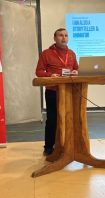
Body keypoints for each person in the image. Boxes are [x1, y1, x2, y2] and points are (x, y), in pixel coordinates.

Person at [35, 28, 79, 156]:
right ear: (55, 38)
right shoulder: (46, 53)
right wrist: (51, 75)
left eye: (66, 35)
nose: (64, 38)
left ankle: (68, 145)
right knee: (53, 120)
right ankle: (48, 147)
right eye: (60, 35)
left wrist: (76, 71)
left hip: (70, 92)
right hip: (53, 91)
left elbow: (76, 68)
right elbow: (39, 72)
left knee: (70, 119)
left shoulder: (71, 53)